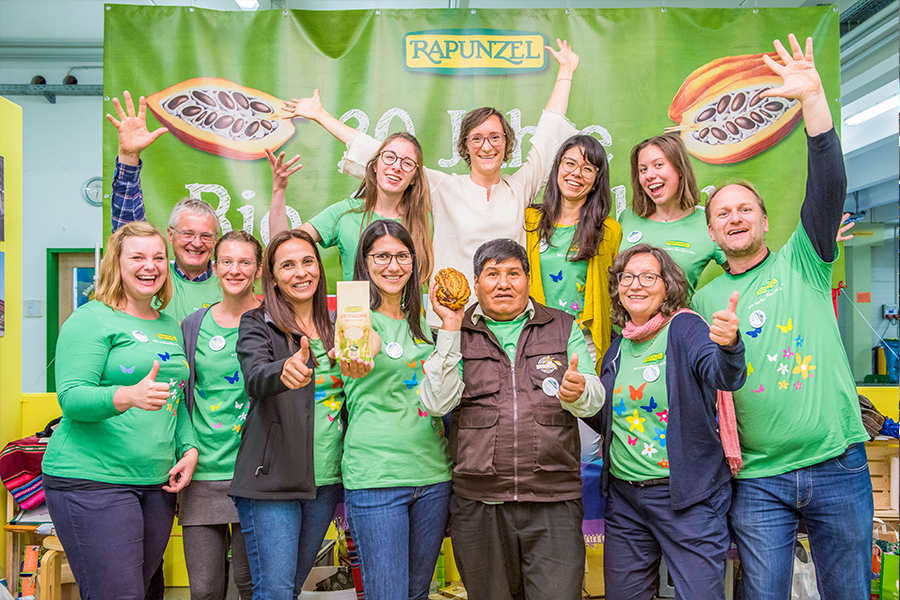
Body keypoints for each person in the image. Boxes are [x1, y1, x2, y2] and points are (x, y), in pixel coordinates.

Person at [692, 34, 873, 600]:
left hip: (836, 464)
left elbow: (830, 185)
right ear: (713, 232)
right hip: (758, 480)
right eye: (724, 213)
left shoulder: (807, 259)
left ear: (766, 222)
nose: (736, 217)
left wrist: (813, 102)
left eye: (746, 208)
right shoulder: (703, 300)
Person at [280, 39, 580, 326]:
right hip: (449, 318)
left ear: (507, 143)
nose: (486, 146)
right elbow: (382, 155)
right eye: (477, 138)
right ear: (465, 146)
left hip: (505, 318)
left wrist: (565, 72)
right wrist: (320, 115)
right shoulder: (444, 187)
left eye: (494, 137)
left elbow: (548, 135)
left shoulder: (520, 186)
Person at [420, 238, 604, 600]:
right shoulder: (454, 334)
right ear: (476, 284)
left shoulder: (563, 326)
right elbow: (438, 403)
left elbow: (595, 399)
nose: (503, 283)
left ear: (528, 279)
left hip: (554, 501)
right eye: (492, 274)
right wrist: (452, 327)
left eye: (513, 273)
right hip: (480, 504)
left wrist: (579, 391)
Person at [41, 221, 199, 600]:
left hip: (155, 484)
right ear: (117, 264)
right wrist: (125, 396)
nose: (151, 266)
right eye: (138, 257)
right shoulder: (91, 318)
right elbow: (72, 398)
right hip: (92, 480)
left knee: (139, 592)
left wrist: (189, 449)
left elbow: (174, 400)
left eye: (159, 257)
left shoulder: (168, 327)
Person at [581, 244, 746, 599]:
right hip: (625, 502)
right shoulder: (616, 348)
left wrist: (730, 347)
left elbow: (722, 375)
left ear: (668, 285)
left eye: (648, 276)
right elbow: (613, 420)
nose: (635, 285)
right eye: (627, 277)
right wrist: (579, 400)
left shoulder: (684, 328)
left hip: (686, 498)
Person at [230, 229, 345, 600]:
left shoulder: (339, 324)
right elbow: (254, 376)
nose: (300, 272)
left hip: (326, 480)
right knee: (275, 591)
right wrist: (282, 371)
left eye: (308, 261)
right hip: (272, 479)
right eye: (288, 265)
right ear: (273, 277)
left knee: (290, 589)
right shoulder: (257, 322)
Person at [340, 220, 452, 600]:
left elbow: (444, 394)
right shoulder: (355, 317)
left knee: (418, 593)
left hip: (433, 476)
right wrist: (357, 352)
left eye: (402, 256)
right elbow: (355, 350)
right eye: (382, 256)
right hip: (376, 479)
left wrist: (449, 323)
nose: (393, 266)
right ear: (365, 261)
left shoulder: (426, 326)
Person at [179, 230, 264, 600]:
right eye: (227, 261)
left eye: (244, 262)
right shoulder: (193, 326)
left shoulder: (272, 321)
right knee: (205, 590)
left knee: (251, 585)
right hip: (201, 475)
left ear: (258, 269)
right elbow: (182, 397)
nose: (235, 270)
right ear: (214, 267)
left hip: (254, 477)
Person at [107, 91, 222, 321]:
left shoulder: (230, 281)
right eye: (188, 233)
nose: (197, 243)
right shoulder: (152, 275)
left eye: (206, 236)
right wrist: (129, 157)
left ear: (216, 240)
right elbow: (128, 229)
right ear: (170, 234)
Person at [267, 132, 433, 286]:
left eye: (407, 163)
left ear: (414, 179)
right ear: (375, 166)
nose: (397, 166)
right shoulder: (345, 213)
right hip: (355, 317)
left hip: (407, 318)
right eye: (389, 157)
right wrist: (278, 190)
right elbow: (281, 248)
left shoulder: (425, 223)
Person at [525, 133, 622, 368]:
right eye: (570, 163)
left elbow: (615, 290)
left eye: (588, 168)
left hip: (584, 341)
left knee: (585, 402)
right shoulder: (529, 220)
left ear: (597, 180)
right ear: (557, 166)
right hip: (533, 338)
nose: (576, 173)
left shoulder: (609, 230)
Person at [620, 133, 727, 294]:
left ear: (679, 169)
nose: (649, 175)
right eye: (643, 169)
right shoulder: (628, 217)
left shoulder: (708, 223)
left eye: (658, 165)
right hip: (621, 320)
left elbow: (745, 274)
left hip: (678, 319)